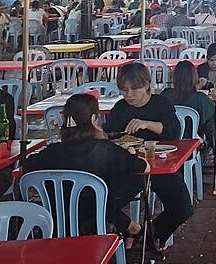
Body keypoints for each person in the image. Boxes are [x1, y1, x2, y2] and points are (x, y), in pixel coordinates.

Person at [23, 93, 147, 246]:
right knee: (123, 183)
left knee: (80, 192)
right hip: (96, 218)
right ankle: (126, 225)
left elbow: (27, 168)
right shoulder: (106, 150)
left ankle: (127, 224)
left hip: (57, 226)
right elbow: (143, 167)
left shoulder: (50, 152)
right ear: (94, 119)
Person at [104, 64, 192, 251]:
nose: (129, 95)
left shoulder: (161, 103)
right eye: (124, 90)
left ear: (147, 86)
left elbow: (173, 131)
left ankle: (152, 233)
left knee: (183, 208)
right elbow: (110, 135)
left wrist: (146, 124)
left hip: (160, 166)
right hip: (130, 169)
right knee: (101, 202)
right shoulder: (120, 108)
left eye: (134, 89)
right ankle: (131, 229)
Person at [164, 60, 216, 142]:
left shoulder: (166, 94)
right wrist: (215, 96)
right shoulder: (201, 98)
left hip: (167, 140)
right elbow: (215, 108)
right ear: (194, 77)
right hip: (193, 140)